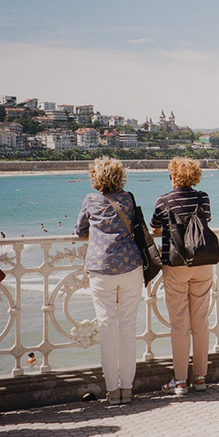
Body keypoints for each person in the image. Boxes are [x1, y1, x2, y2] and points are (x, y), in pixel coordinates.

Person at [73, 157, 148, 403]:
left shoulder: (90, 200)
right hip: (130, 267)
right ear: (120, 176)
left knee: (107, 328)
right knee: (128, 328)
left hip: (101, 269)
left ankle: (112, 391)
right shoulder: (128, 198)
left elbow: (79, 230)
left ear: (96, 177)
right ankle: (127, 389)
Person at [152, 157, 217, 397]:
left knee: (179, 323)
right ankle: (200, 377)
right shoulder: (203, 198)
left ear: (175, 177)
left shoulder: (164, 200)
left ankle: (179, 381)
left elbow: (155, 226)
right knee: (200, 320)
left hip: (176, 264)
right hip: (202, 262)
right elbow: (205, 221)